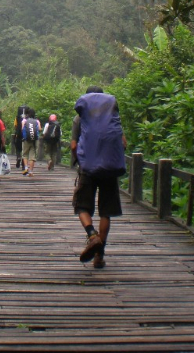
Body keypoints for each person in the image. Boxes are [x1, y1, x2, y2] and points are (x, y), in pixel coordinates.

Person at [71, 86, 127, 269]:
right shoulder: (112, 118)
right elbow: (123, 143)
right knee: (105, 211)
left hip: (88, 168)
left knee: (81, 206)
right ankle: (99, 255)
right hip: (109, 169)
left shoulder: (80, 118)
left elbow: (73, 145)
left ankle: (92, 235)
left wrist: (79, 160)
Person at [20, 108, 41, 176]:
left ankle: (26, 168)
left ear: (28, 114)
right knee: (32, 156)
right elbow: (39, 129)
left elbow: (22, 129)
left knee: (25, 154)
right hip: (35, 140)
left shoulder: (24, 120)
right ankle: (31, 171)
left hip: (26, 140)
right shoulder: (37, 121)